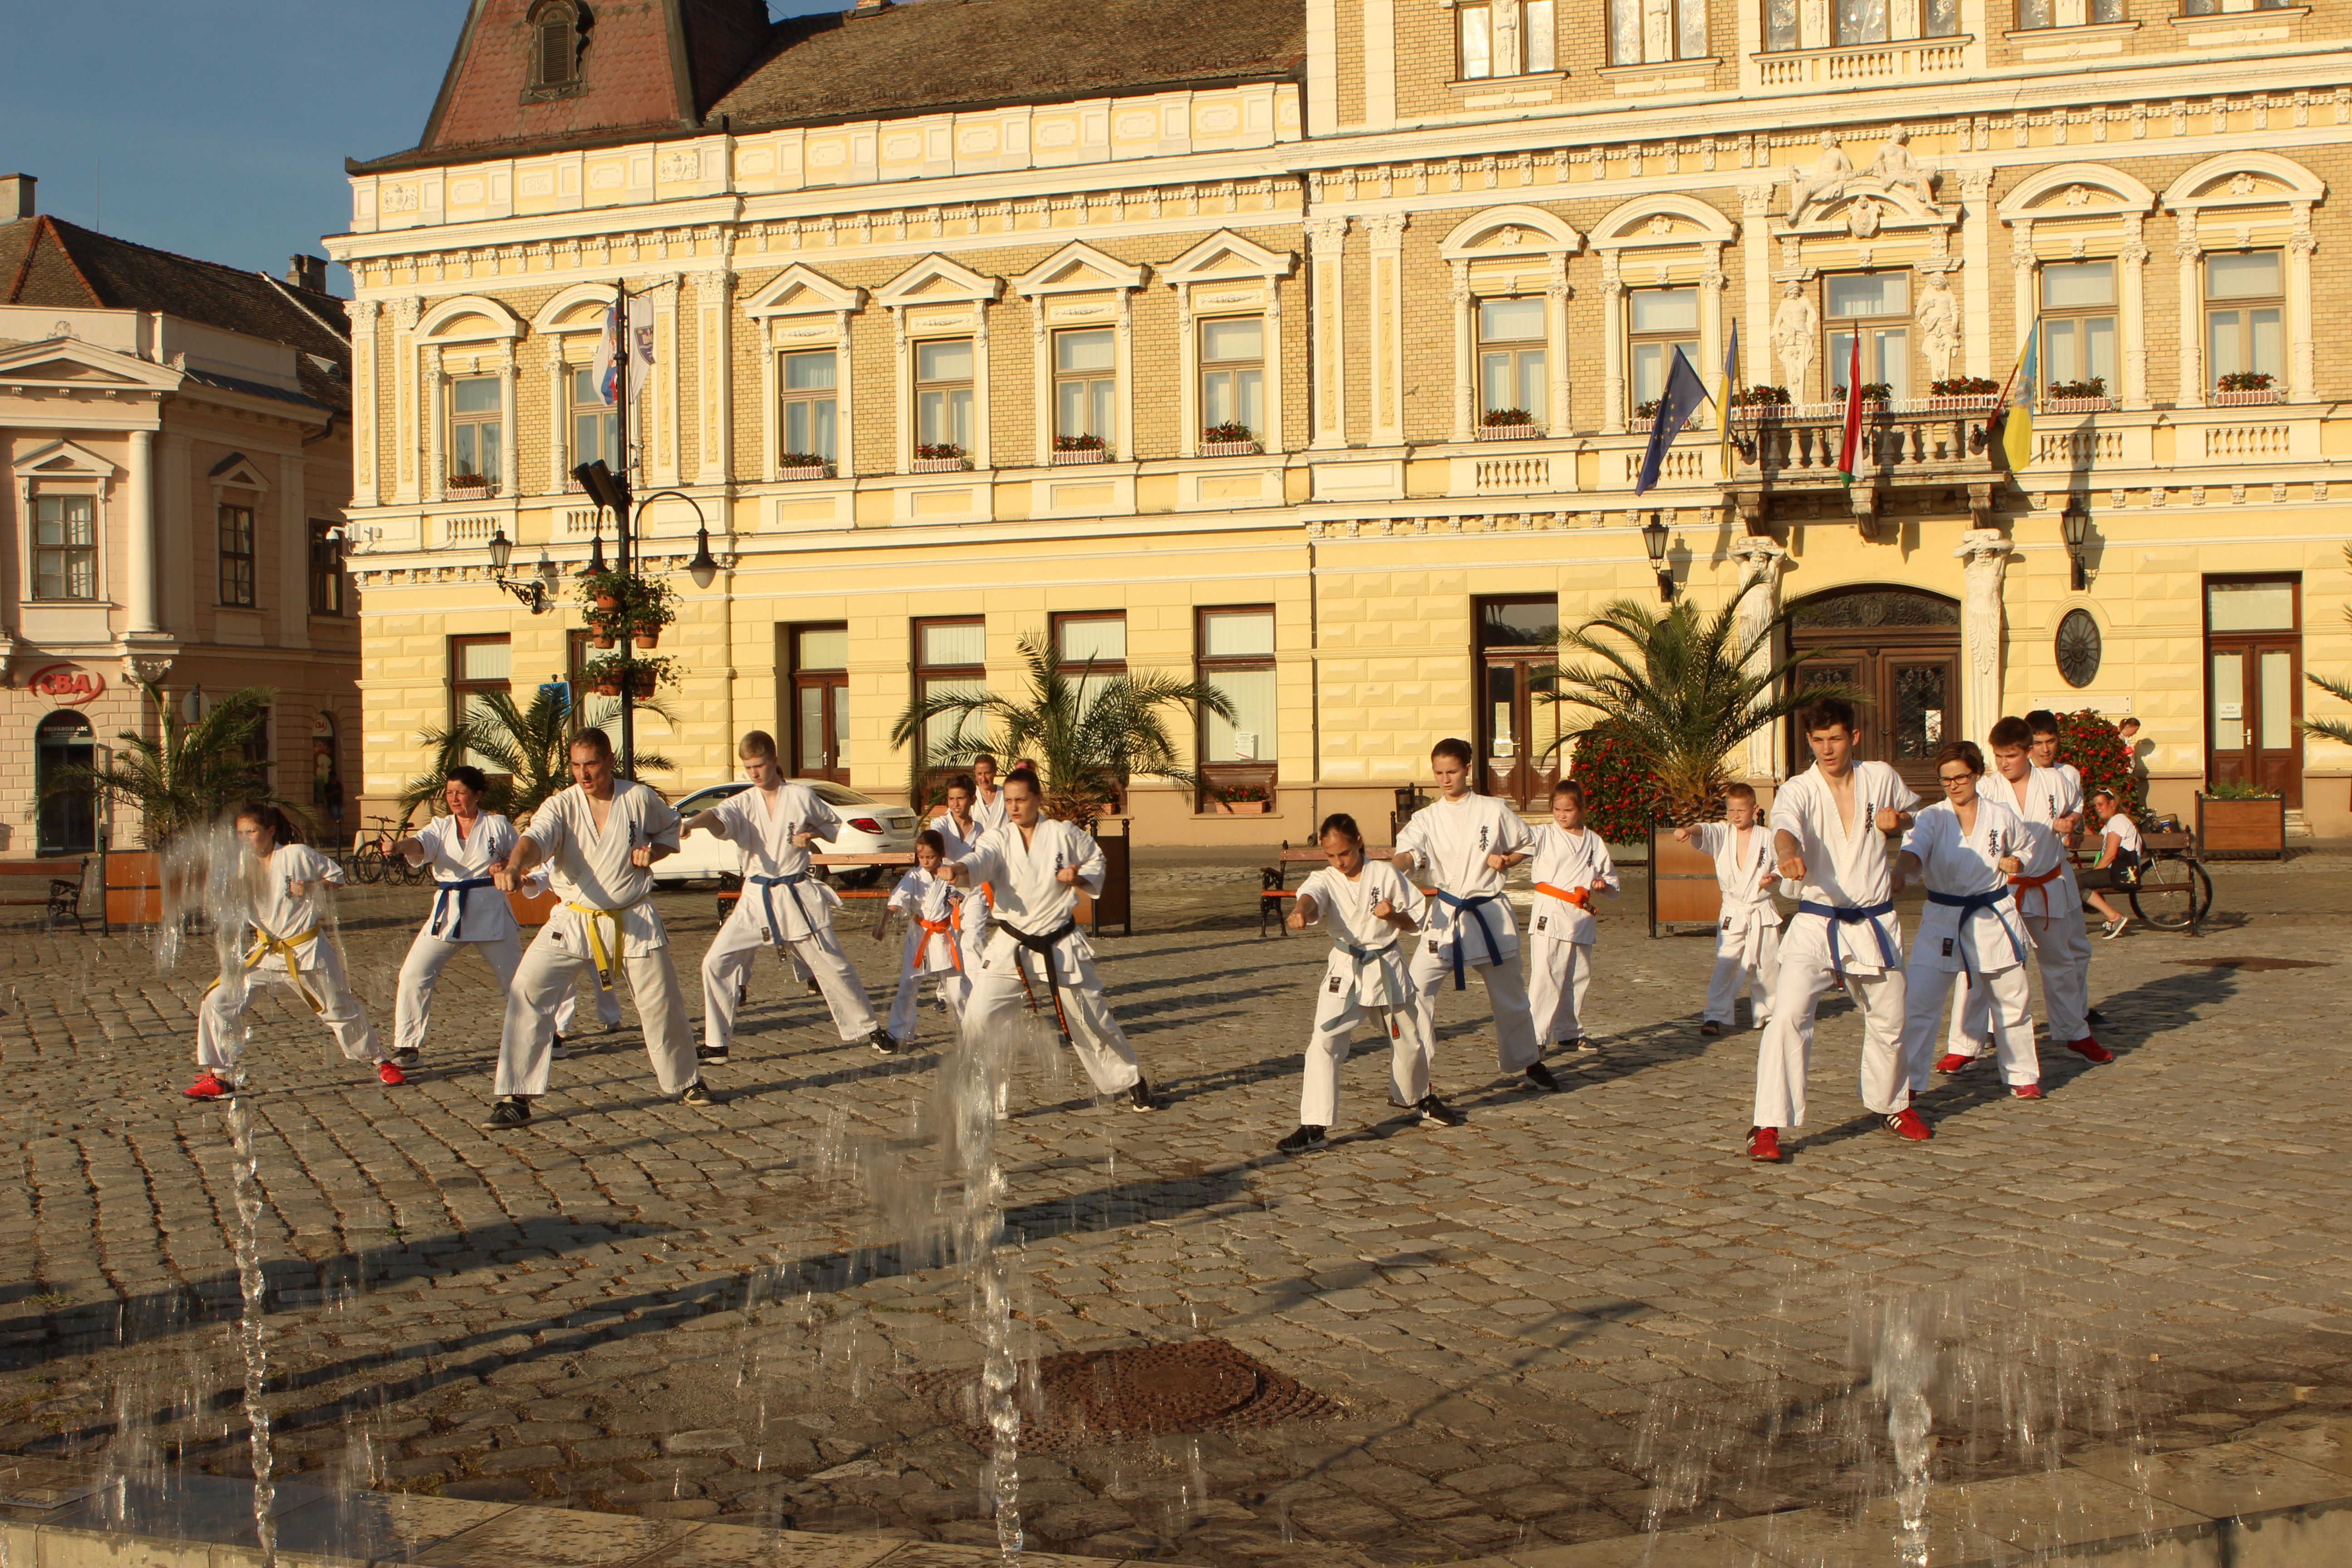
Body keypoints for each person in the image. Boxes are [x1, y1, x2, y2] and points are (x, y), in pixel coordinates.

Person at [485, 728, 707, 1128]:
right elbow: (535, 840)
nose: (583, 774)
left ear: (609, 761)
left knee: (661, 1002)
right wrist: (516, 866)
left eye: (591, 764)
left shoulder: (638, 798)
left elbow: (670, 830)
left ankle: (687, 1081)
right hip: (574, 918)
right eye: (576, 766)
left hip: (633, 916)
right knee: (527, 991)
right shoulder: (561, 805)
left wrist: (653, 852)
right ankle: (515, 1096)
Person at [1748, 697, 1925, 1163]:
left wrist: (1897, 821)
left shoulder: (1881, 776)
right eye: (1819, 740)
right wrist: (1787, 854)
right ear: (1810, 741)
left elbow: (1912, 814)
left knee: (1890, 1017)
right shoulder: (1799, 789)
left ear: (1854, 737)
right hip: (1816, 920)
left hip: (1873, 919)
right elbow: (1784, 829)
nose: (1827, 749)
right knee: (1788, 1015)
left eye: (1836, 739)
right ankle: (1766, 1125)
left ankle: (1892, 1105)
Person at [944, 768, 1155, 1111]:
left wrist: (1078, 875)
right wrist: (958, 869)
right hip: (1011, 942)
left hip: (1059, 940)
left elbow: (1096, 858)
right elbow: (979, 859)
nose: (1014, 807)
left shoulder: (1062, 833)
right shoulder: (998, 838)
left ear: (1038, 799)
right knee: (978, 1019)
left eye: (1021, 800)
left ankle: (1130, 1079)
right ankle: (987, 1097)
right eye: (1009, 801)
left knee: (1091, 1018)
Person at [689, 730, 887, 1059]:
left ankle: (872, 1030)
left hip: (796, 894)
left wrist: (810, 835)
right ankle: (716, 1043)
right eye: (748, 767)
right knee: (715, 962)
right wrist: (692, 823)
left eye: (759, 765)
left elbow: (831, 826)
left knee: (833, 964)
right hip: (756, 896)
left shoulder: (800, 796)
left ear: (774, 760)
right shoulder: (743, 802)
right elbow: (717, 818)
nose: (754, 773)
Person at [185, 803, 405, 1099]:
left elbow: (337, 877)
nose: (246, 839)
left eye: (252, 832)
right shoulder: (238, 866)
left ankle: (381, 1061)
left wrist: (313, 887)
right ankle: (221, 1077)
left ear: (270, 831)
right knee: (216, 1001)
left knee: (338, 1009)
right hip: (266, 952)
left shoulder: (296, 855)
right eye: (240, 833)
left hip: (306, 950)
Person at [1945, 716, 2112, 1069]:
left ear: (2028, 751)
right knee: (1980, 964)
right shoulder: (1987, 788)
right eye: (1999, 756)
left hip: (2047, 884)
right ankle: (1965, 1044)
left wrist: (2071, 823)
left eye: (2012, 755)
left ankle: (2076, 1034)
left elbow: (2074, 812)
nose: (2004, 763)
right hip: (2001, 891)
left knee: (2060, 964)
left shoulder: (2057, 781)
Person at [1392, 739, 1535, 1117]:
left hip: (1488, 914)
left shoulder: (1493, 809)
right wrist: (1393, 869)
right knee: (1415, 991)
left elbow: (1527, 843)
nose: (1445, 779)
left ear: (1468, 769)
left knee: (1510, 995)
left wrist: (1507, 861)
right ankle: (1414, 1082)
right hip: (1446, 917)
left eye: (1452, 772)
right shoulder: (1427, 818)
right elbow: (1409, 853)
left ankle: (1528, 1061)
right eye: (1438, 773)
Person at [1278, 813, 1433, 1152]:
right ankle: (1314, 1125)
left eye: (1344, 853)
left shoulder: (1386, 874)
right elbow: (1311, 897)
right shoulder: (1325, 878)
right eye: (1331, 855)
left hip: (1386, 966)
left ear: (1359, 842)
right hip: (1346, 970)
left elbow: (1416, 921)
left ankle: (1419, 1098)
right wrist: (1301, 911)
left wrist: (1392, 915)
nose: (1339, 862)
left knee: (1409, 1040)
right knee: (1324, 1041)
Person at [1899, 743, 2041, 1100]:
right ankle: (1909, 1083)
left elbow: (2026, 846)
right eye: (1946, 779)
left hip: (1992, 914)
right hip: (1943, 918)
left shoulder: (2001, 815)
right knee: (1919, 1003)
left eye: (1961, 777)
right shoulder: (1931, 817)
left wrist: (2017, 862)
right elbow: (1913, 852)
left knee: (2011, 1000)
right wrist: (1900, 872)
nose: (1954, 785)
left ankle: (2022, 1074)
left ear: (1976, 775)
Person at [387, 767, 520, 1068]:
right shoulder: (440, 826)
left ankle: (547, 1033)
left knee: (516, 981)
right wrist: (399, 846)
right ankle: (407, 1045)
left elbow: (520, 854)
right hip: (449, 912)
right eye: (449, 793)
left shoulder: (497, 825)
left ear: (477, 795)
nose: (454, 798)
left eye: (461, 792)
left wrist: (506, 866)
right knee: (413, 973)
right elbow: (420, 845)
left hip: (489, 910)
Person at [1523, 779, 1618, 1081]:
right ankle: (1536, 1037)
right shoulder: (1543, 834)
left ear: (1581, 810)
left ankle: (1568, 1032)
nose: (1562, 815)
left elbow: (1610, 878)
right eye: (1557, 810)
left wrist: (1602, 884)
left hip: (1580, 914)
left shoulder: (1593, 841)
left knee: (1578, 975)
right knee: (1546, 974)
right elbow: (1517, 844)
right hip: (1550, 910)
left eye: (1568, 810)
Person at [1674, 782, 1781, 1038]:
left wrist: (1774, 877)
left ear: (1755, 809)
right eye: (1731, 810)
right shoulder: (1723, 833)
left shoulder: (1768, 837)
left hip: (1760, 909)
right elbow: (1705, 829)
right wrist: (1688, 830)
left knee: (1766, 964)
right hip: (1734, 909)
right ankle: (1715, 1015)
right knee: (1726, 962)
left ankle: (1768, 1015)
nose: (1736, 816)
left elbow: (1781, 864)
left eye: (1741, 811)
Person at [875, 830, 968, 1048]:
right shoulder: (914, 876)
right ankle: (899, 1033)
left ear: (941, 854)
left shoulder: (951, 872)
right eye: (921, 857)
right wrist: (883, 923)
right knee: (908, 983)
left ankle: (972, 1030)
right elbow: (898, 899)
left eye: (931, 857)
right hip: (920, 934)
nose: (925, 861)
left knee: (956, 989)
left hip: (945, 935)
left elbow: (964, 891)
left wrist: (958, 899)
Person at [927, 774, 989, 978]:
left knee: (973, 937)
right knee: (946, 942)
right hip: (944, 889)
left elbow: (980, 861)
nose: (955, 804)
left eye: (961, 798)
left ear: (973, 799)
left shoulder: (979, 829)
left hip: (972, 889)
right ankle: (947, 990)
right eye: (951, 799)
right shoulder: (941, 824)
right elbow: (933, 841)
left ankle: (978, 986)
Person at [2082, 789, 2142, 939]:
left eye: (2101, 804)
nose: (2098, 808)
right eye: (2096, 805)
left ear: (2112, 803)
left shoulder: (2118, 821)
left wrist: (2093, 873)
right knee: (2069, 877)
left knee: (2077, 882)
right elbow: (2095, 840)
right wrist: (2082, 825)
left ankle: (2115, 917)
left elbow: (2110, 855)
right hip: (2113, 870)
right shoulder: (2112, 824)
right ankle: (2075, 922)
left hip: (2120, 873)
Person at [969, 753, 1010, 834]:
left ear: (995, 772)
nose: (983, 779)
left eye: (987, 773)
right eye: (979, 774)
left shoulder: (1007, 795)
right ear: (975, 773)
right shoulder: (969, 795)